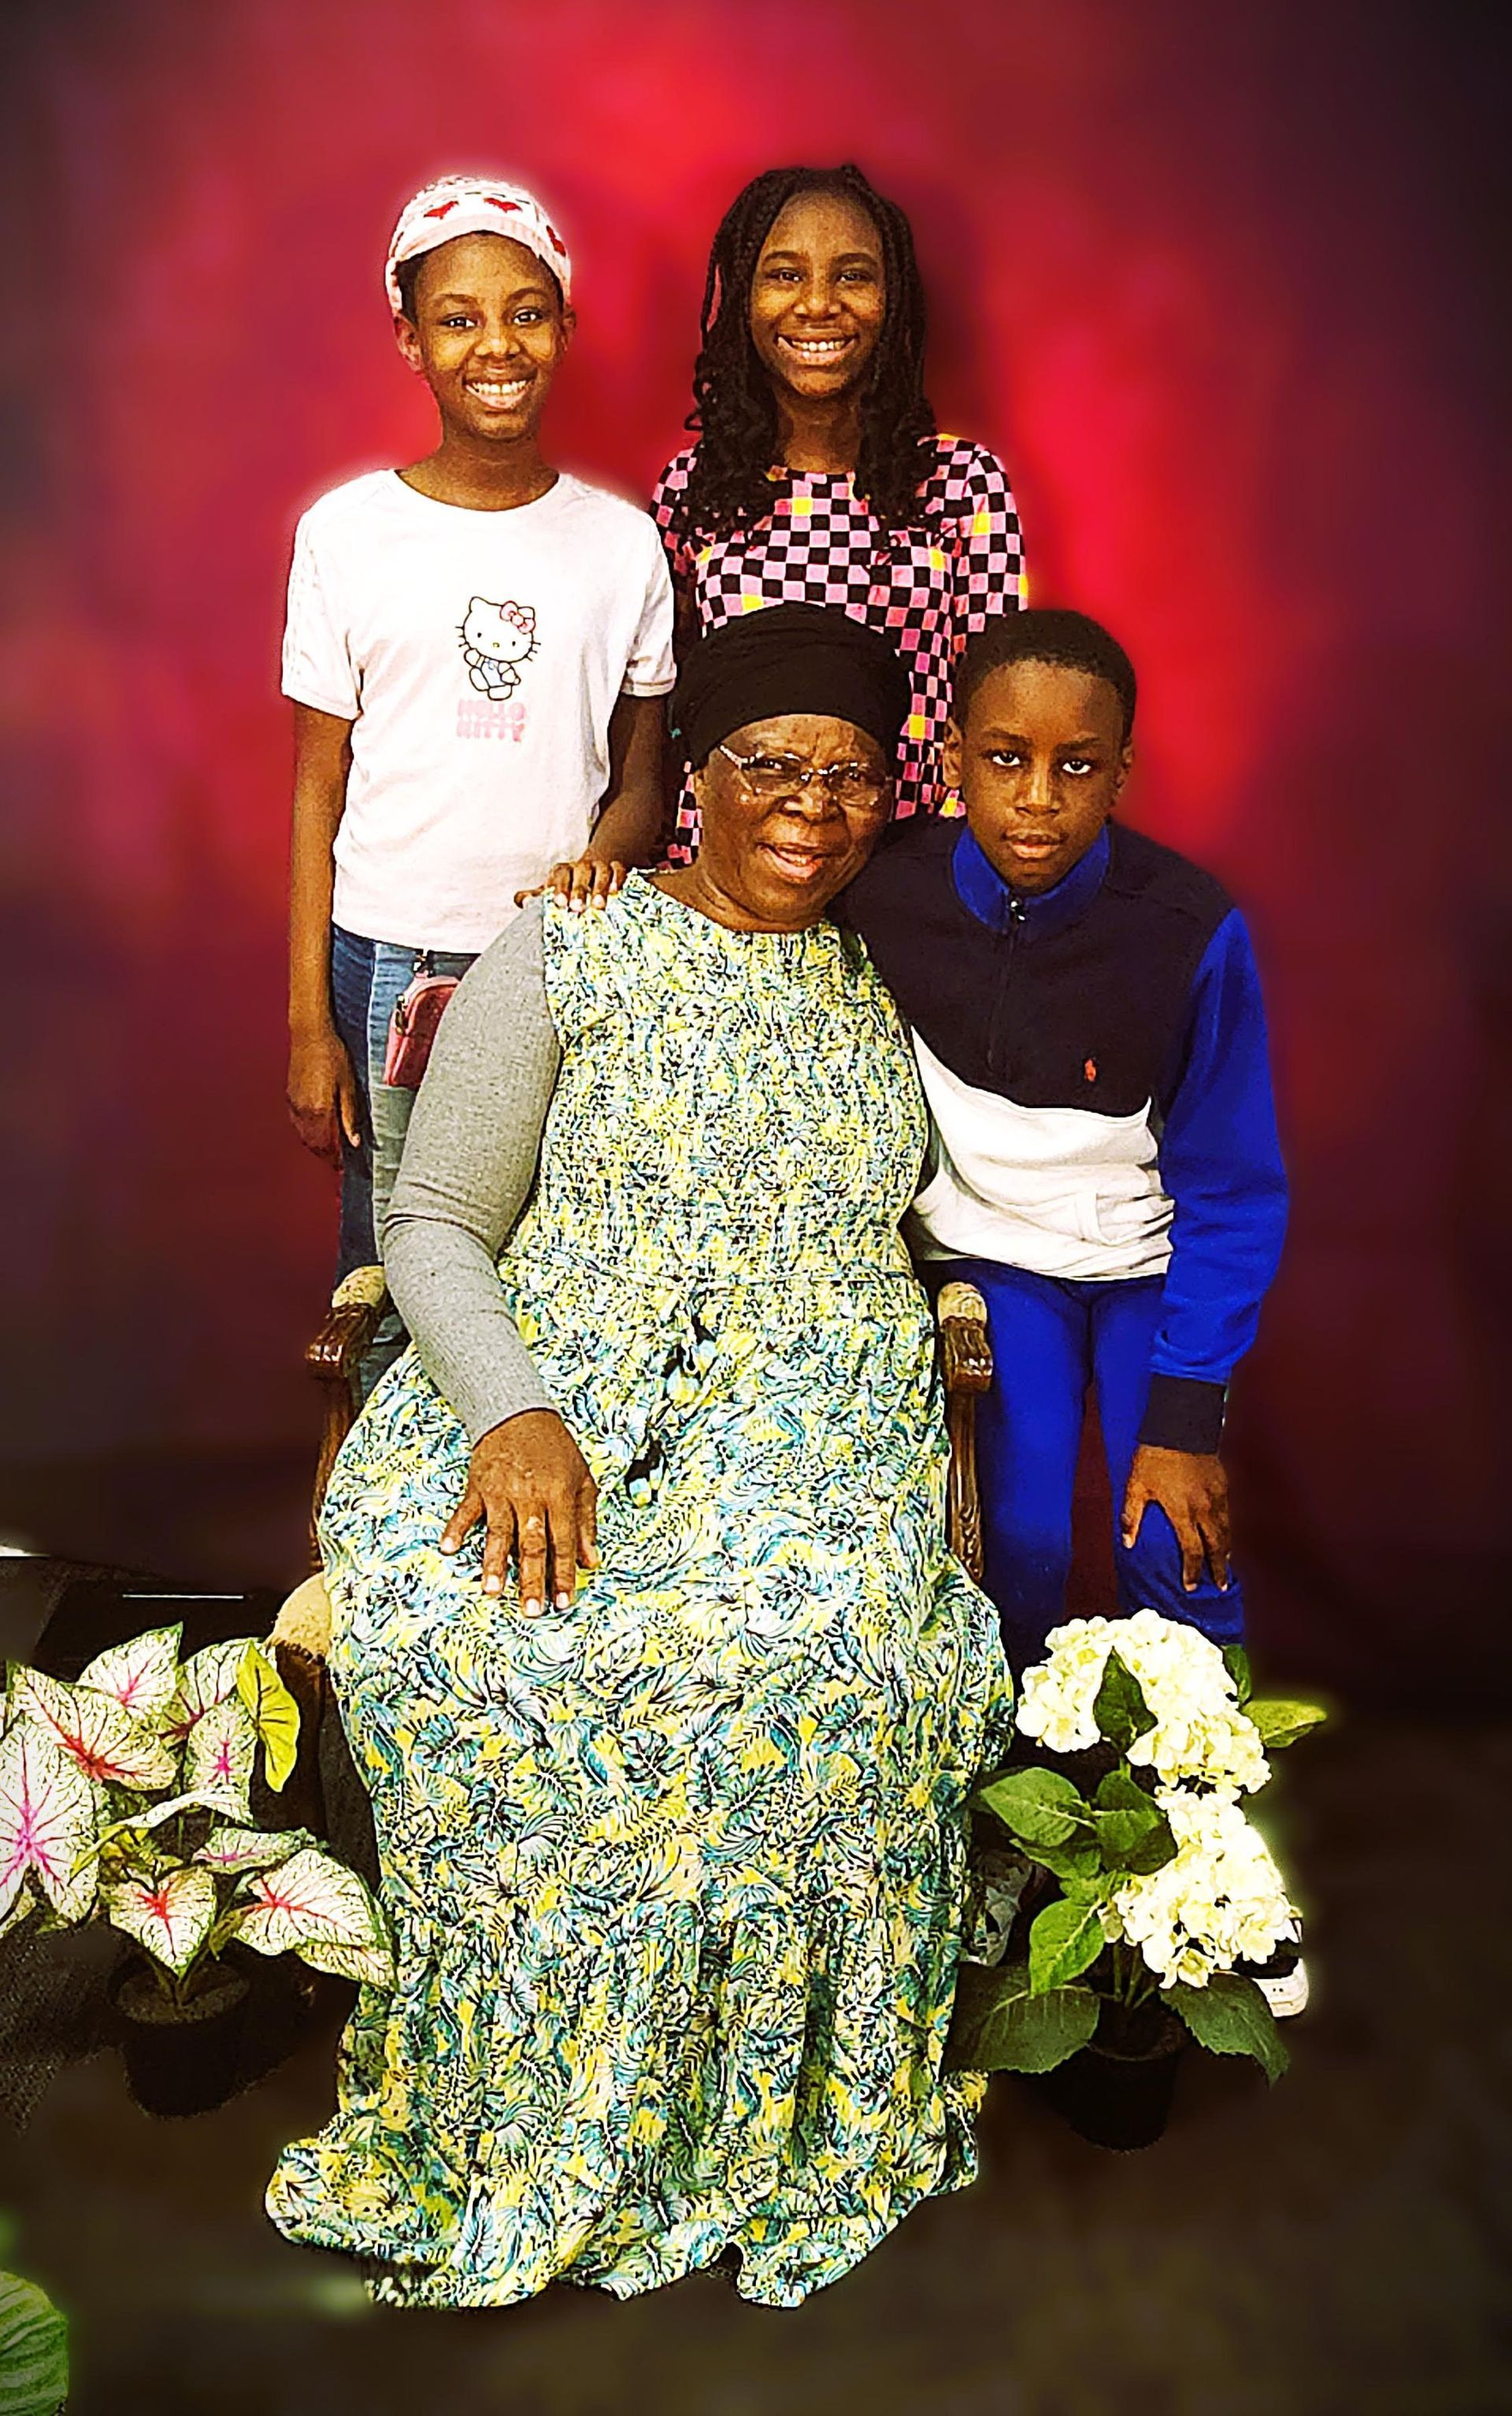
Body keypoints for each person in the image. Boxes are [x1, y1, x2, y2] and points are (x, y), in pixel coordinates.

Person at [266, 606, 1013, 2310]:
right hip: (557, 1382)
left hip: (812, 1412)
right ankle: (528, 2113)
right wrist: (515, 1410)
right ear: (700, 779)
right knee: (492, 1632)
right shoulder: (573, 942)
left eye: (847, 772)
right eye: (768, 764)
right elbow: (437, 1213)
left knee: (821, 1655)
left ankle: (754, 2131)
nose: (811, 806)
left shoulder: (893, 967)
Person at [838, 609, 1288, 1670]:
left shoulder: (1187, 929)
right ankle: (1023, 1789)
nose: (1037, 800)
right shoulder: (883, 892)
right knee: (1024, 1535)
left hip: (1151, 1268)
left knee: (1176, 1541)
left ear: (1121, 772)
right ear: (952, 760)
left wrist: (1184, 1414)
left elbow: (1232, 1187)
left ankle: (1193, 1799)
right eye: (1005, 759)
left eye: (1075, 766)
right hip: (999, 1260)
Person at [283, 174, 674, 1337]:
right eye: (457, 317)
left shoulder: (620, 544)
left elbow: (645, 773)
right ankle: (376, 1510)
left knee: (545, 1257)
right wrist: (309, 1022)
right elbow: (318, 784)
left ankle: (518, 1501)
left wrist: (604, 855)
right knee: (394, 1261)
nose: (494, 343)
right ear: (410, 340)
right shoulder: (346, 535)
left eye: (525, 310)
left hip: (551, 955)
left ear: (563, 328)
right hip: (387, 955)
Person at [652, 163, 1023, 862]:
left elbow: (993, 713)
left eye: (853, 276)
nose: (818, 304)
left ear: (894, 300)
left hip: (907, 870)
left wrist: (937, 875)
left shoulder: (961, 484)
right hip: (735, 878)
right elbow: (665, 718)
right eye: (785, 275)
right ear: (743, 300)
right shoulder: (690, 491)